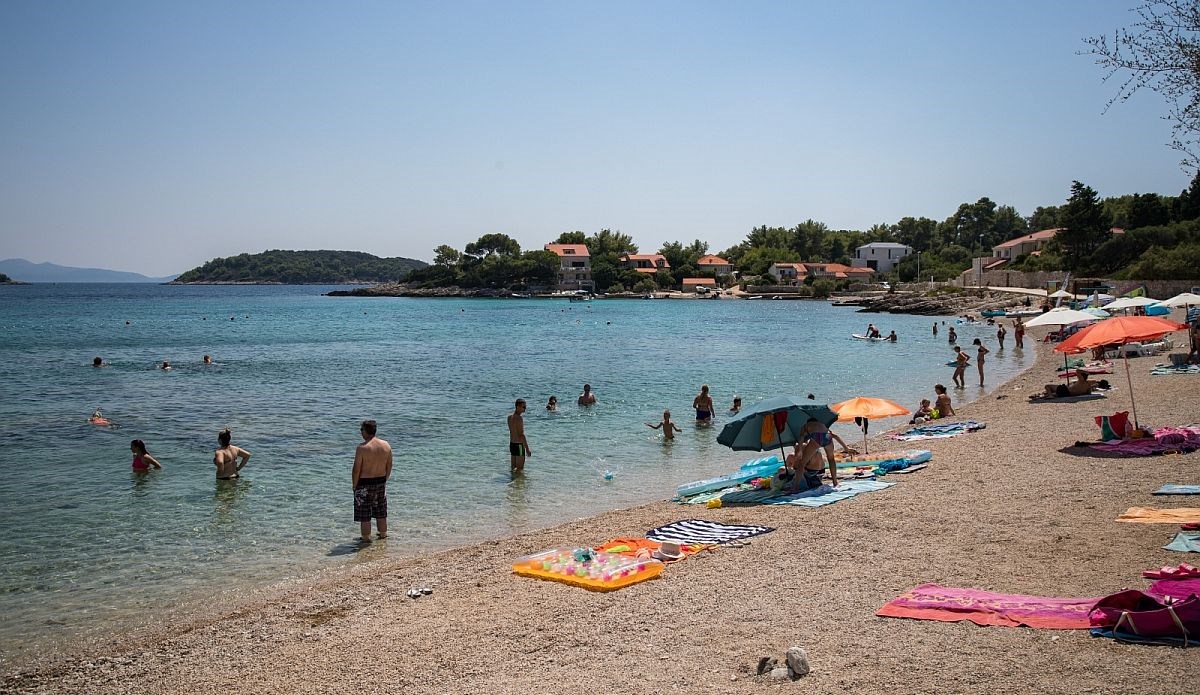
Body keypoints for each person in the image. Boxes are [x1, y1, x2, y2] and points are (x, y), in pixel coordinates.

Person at [352, 419, 392, 541]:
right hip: (380, 481)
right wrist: (385, 479)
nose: (360, 432)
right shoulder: (386, 445)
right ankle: (383, 535)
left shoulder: (362, 448)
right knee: (381, 511)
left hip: (365, 483)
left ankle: (365, 539)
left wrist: (354, 485)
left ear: (366, 431)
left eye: (361, 430)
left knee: (365, 515)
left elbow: (356, 470)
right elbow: (389, 465)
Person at [797, 419, 848, 488]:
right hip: (827, 436)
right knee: (831, 459)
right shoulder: (822, 425)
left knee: (802, 463)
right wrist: (846, 448)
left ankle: (795, 487)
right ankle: (835, 483)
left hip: (816, 436)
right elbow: (835, 436)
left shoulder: (806, 426)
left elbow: (801, 437)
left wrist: (800, 450)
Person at [507, 399, 531, 473]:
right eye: (524, 407)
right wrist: (527, 449)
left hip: (512, 444)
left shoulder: (509, 417)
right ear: (518, 406)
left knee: (513, 468)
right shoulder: (519, 418)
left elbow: (512, 432)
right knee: (519, 470)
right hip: (519, 445)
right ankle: (518, 484)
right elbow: (521, 435)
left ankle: (512, 484)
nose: (525, 409)